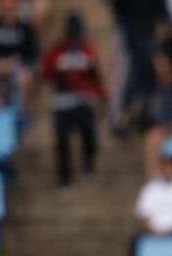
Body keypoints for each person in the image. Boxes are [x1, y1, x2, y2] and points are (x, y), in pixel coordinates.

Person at [41, 12, 106, 194]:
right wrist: (60, 72)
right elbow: (45, 73)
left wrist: (102, 98)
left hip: (84, 100)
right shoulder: (55, 51)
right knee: (62, 142)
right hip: (62, 102)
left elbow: (96, 76)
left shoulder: (87, 50)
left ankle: (88, 164)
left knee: (89, 134)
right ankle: (65, 180)